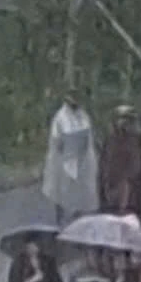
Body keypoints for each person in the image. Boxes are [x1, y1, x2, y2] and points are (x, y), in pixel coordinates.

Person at [44, 96, 99, 225]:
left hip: (82, 160)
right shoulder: (60, 117)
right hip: (64, 160)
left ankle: (79, 216)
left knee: (81, 191)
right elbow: (57, 141)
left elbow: (88, 138)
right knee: (63, 191)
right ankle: (62, 219)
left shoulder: (83, 116)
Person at [99, 106, 141, 217]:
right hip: (113, 189)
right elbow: (104, 165)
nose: (124, 122)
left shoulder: (137, 140)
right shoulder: (110, 140)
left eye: (128, 119)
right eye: (121, 118)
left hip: (133, 190)